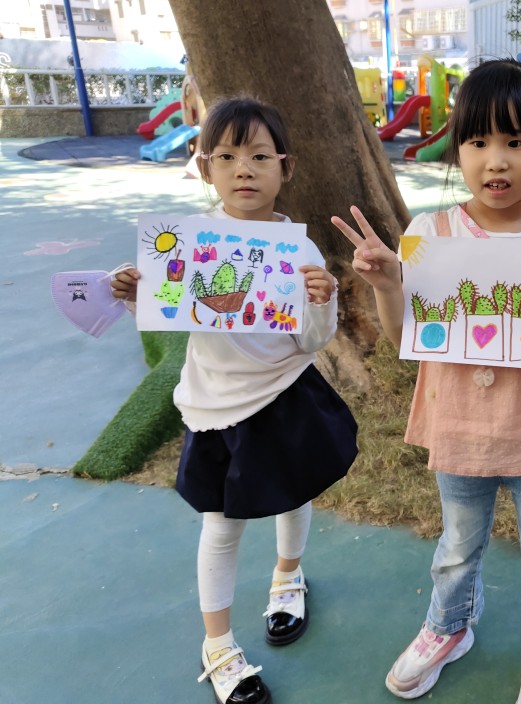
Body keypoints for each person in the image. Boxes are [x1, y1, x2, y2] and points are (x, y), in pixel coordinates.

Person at [332, 58, 521, 704]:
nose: (495, 161)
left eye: (515, 141)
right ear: (456, 149)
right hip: (459, 428)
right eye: (477, 141)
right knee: (456, 545)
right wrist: (387, 284)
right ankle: (449, 626)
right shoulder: (429, 235)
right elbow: (404, 339)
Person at [111, 98, 359, 704]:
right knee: (221, 525)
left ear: (285, 167)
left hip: (285, 394)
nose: (243, 168)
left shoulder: (298, 250)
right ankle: (218, 645)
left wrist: (322, 299)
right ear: (205, 168)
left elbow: (311, 340)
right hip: (216, 405)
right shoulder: (185, 242)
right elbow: (167, 312)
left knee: (293, 494)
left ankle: (288, 577)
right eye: (226, 157)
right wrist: (134, 292)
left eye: (259, 157)